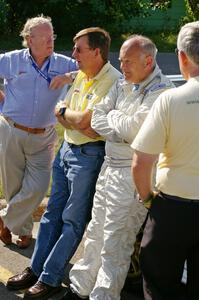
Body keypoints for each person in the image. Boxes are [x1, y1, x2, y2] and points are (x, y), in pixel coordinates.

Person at [6, 27, 121, 299]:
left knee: (72, 220)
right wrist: (72, 116)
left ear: (96, 51)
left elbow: (85, 122)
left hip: (89, 156)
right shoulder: (81, 74)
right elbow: (64, 112)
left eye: (78, 49)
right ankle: (35, 269)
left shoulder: (112, 81)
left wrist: (72, 116)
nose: (73, 54)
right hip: (67, 148)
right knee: (51, 215)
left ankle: (51, 277)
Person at [60, 35, 174, 300]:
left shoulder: (162, 91)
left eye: (128, 62)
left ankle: (103, 295)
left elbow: (135, 130)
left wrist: (113, 120)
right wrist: (116, 123)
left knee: (116, 242)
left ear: (148, 61)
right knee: (95, 232)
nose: (122, 68)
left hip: (132, 173)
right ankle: (80, 289)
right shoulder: (123, 83)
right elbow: (97, 116)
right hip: (109, 167)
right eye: (120, 61)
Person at [131, 21, 199, 300]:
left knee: (159, 283)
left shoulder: (170, 100)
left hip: (173, 209)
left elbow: (141, 162)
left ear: (182, 57)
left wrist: (148, 199)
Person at [0, 15, 77, 249]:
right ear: (29, 39)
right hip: (11, 129)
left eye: (51, 35)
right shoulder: (12, 60)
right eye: (44, 37)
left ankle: (4, 219)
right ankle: (21, 231)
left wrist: (69, 77)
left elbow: (93, 71)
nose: (50, 41)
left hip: (44, 134)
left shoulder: (63, 63)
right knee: (13, 184)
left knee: (39, 185)